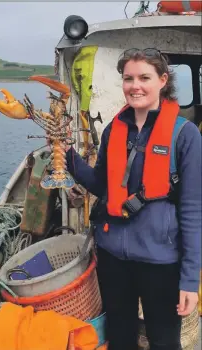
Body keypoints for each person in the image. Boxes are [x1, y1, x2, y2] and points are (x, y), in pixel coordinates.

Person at [65, 48, 201, 350]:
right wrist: (68, 159)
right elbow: (102, 185)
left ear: (162, 80)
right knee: (121, 336)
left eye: (144, 77)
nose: (134, 86)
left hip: (161, 261)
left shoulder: (185, 135)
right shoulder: (114, 129)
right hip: (113, 257)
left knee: (164, 341)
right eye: (128, 78)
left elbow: (192, 210)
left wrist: (190, 280)